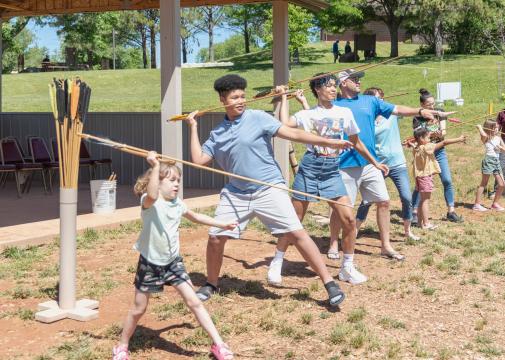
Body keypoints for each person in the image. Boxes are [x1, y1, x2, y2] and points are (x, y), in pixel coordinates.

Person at [186, 74, 350, 306]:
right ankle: (211, 283)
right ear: (223, 99)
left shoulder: (258, 118)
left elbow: (292, 133)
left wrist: (329, 142)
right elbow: (197, 160)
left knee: (297, 233)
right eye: (235, 97)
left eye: (243, 96)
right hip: (236, 194)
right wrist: (192, 127)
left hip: (269, 188)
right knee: (215, 238)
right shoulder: (218, 132)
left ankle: (329, 284)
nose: (241, 100)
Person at [267, 74, 388, 286]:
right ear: (317, 91)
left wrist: (374, 162)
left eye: (334, 86)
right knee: (294, 219)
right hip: (310, 167)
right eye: (328, 86)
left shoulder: (345, 112)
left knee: (349, 220)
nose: (333, 89)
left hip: (333, 169)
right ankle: (277, 262)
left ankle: (347, 268)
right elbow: (285, 124)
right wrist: (284, 97)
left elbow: (356, 142)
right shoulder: (307, 114)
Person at [112, 154, 236, 360]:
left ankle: (219, 344)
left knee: (194, 301)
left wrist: (222, 225)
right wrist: (156, 165)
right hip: (150, 264)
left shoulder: (177, 204)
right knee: (139, 308)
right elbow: (151, 195)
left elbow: (196, 217)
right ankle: (122, 345)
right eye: (171, 180)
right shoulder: (149, 202)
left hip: (173, 263)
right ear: (157, 182)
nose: (176, 184)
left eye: (178, 180)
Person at [328, 69, 444, 261]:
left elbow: (397, 109)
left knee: (383, 201)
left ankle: (385, 246)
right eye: (354, 79)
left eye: (358, 79)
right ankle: (333, 242)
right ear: (342, 83)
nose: (358, 82)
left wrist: (420, 111)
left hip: (370, 163)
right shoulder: (334, 104)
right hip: (344, 163)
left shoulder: (370, 101)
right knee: (341, 207)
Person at [355, 87, 420, 241]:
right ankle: (355, 229)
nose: (381, 101)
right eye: (378, 99)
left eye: (382, 98)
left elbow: (407, 112)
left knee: (406, 197)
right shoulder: (366, 119)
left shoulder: (391, 114)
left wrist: (426, 111)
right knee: (367, 200)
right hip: (376, 165)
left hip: (397, 164)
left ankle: (407, 231)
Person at [411, 89, 464, 224]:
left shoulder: (439, 112)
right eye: (429, 105)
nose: (432, 107)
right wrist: (431, 133)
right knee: (421, 185)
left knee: (447, 180)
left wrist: (442, 131)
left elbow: (444, 132)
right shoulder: (417, 117)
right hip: (424, 155)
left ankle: (451, 211)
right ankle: (414, 212)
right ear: (422, 105)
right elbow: (419, 136)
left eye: (433, 104)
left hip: (439, 151)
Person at [407, 128, 466, 230]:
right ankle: (426, 223)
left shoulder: (416, 147)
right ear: (421, 138)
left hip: (419, 177)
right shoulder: (427, 147)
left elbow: (416, 144)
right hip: (425, 177)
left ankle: (420, 223)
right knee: (425, 200)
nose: (430, 139)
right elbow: (444, 142)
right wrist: (459, 139)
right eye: (428, 137)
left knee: (421, 201)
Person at [473, 120, 505, 212]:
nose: (497, 129)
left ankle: (495, 204)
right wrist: (480, 127)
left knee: (502, 184)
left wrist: (500, 148)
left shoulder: (498, 138)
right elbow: (484, 135)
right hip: (488, 160)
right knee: (484, 183)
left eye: (497, 127)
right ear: (489, 128)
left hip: (496, 161)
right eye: (495, 127)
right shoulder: (486, 137)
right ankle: (477, 204)